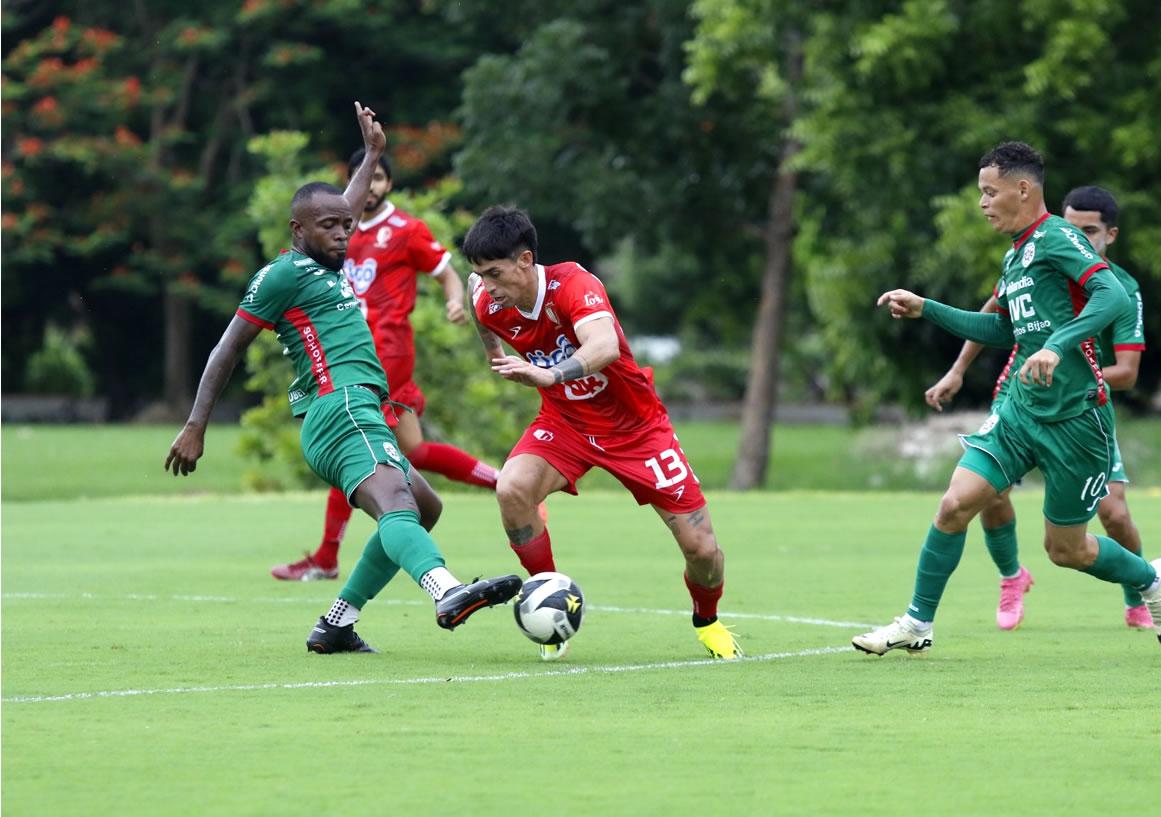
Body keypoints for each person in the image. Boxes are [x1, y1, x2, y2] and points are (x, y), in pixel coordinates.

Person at [165, 103, 520, 653]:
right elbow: (226, 348)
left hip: (357, 408)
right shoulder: (283, 273)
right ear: (296, 229)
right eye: (327, 226)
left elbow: (344, 207)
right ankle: (446, 590)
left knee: (424, 507)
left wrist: (375, 151)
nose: (340, 233)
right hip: (341, 406)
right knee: (399, 505)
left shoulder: (326, 253)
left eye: (344, 226)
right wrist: (195, 426)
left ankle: (336, 622)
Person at [854, 141, 1161, 656]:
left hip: (1076, 421)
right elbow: (1004, 330)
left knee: (1065, 550)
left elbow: (1111, 295)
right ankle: (917, 623)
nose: (983, 203)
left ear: (1022, 188)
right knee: (954, 505)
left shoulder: (1057, 238)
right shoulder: (1016, 256)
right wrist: (926, 308)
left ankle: (1149, 577)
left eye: (990, 191)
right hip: (1021, 411)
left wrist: (1056, 346)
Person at [463, 206, 741, 662]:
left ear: (526, 261)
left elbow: (604, 346)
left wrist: (550, 375)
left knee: (702, 549)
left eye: (495, 273)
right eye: (482, 275)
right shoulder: (489, 300)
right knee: (511, 489)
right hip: (565, 423)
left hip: (637, 431)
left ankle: (707, 621)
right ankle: (551, 602)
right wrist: (494, 352)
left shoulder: (574, 285)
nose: (489, 285)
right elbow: (477, 302)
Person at [270, 148, 504, 582]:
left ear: (390, 183)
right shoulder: (337, 230)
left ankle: (327, 556)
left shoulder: (405, 229)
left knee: (351, 451)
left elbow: (447, 272)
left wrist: (455, 300)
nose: (372, 185)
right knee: (412, 451)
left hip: (383, 354)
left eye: (379, 177)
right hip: (350, 356)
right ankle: (504, 481)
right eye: (366, 178)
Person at [925, 185, 1152, 630]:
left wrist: (1068, 371)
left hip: (1083, 408)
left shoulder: (1118, 288)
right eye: (1072, 227)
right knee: (984, 492)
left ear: (1111, 235)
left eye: (1090, 231)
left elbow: (1127, 372)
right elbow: (997, 315)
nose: (1078, 237)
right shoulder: (1034, 253)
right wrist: (956, 371)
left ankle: (1141, 591)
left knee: (1113, 514)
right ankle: (1010, 577)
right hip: (1020, 395)